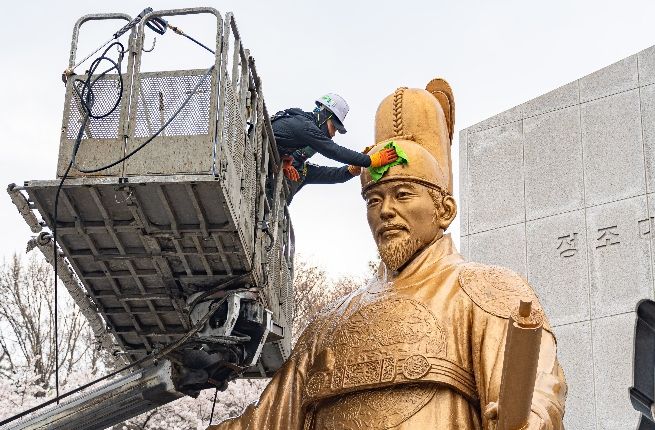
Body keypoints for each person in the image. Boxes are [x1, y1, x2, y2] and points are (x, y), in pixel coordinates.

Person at [208, 80, 566, 429]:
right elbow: (266, 420)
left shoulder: (487, 290)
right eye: (374, 200)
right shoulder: (328, 325)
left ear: (444, 210)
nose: (386, 211)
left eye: (403, 195)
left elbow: (538, 395)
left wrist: (529, 419)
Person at [271, 93, 398, 200]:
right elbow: (333, 150)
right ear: (325, 116)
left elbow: (332, 174)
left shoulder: (301, 169)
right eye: (334, 128)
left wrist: (351, 170)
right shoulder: (304, 126)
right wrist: (369, 160)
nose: (332, 135)